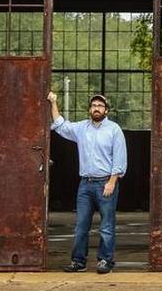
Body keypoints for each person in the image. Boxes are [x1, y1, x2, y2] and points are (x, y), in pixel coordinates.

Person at [47, 91, 127, 274]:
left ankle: (105, 261)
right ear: (89, 109)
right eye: (93, 106)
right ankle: (78, 261)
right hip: (85, 185)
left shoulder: (114, 130)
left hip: (106, 183)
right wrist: (53, 102)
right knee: (81, 225)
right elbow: (60, 125)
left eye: (100, 106)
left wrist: (112, 182)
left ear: (106, 110)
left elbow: (120, 159)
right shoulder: (82, 128)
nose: (96, 108)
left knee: (106, 225)